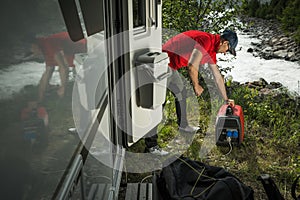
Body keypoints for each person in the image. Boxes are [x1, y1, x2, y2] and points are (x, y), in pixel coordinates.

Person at [145, 30, 238, 155]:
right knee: (158, 104)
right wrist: (196, 86)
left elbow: (218, 77)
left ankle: (183, 125)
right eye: (228, 49)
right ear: (224, 42)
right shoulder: (206, 40)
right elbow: (192, 66)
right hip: (162, 65)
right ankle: (151, 146)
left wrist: (226, 99)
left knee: (182, 92)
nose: (226, 53)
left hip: (171, 66)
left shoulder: (212, 49)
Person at [28, 32, 87, 101]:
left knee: (79, 75)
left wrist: (63, 88)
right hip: (76, 47)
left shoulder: (48, 45)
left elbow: (63, 67)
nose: (34, 55)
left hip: (82, 45)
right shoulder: (44, 45)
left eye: (33, 52)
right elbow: (48, 71)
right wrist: (40, 96)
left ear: (34, 46)